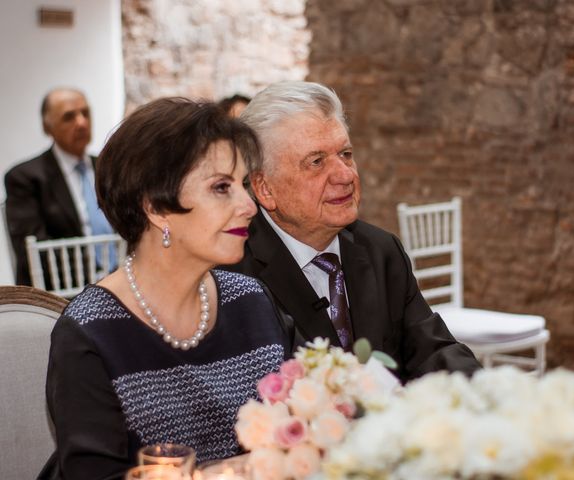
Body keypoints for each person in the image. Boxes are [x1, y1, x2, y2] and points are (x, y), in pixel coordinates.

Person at [39, 98, 293, 479]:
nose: (249, 205)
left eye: (243, 185)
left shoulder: (251, 300)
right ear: (156, 208)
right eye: (222, 187)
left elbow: (299, 430)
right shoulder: (91, 333)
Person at [227, 81, 481, 383]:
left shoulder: (380, 250)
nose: (346, 175)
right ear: (265, 188)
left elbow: (431, 350)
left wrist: (484, 392)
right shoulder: (233, 274)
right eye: (317, 162)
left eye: (346, 154)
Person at [4, 87, 115, 286]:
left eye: (86, 113)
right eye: (68, 117)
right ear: (48, 127)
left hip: (121, 280)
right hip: (64, 290)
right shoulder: (26, 178)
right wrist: (97, 278)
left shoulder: (110, 167)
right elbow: (32, 249)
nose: (81, 122)